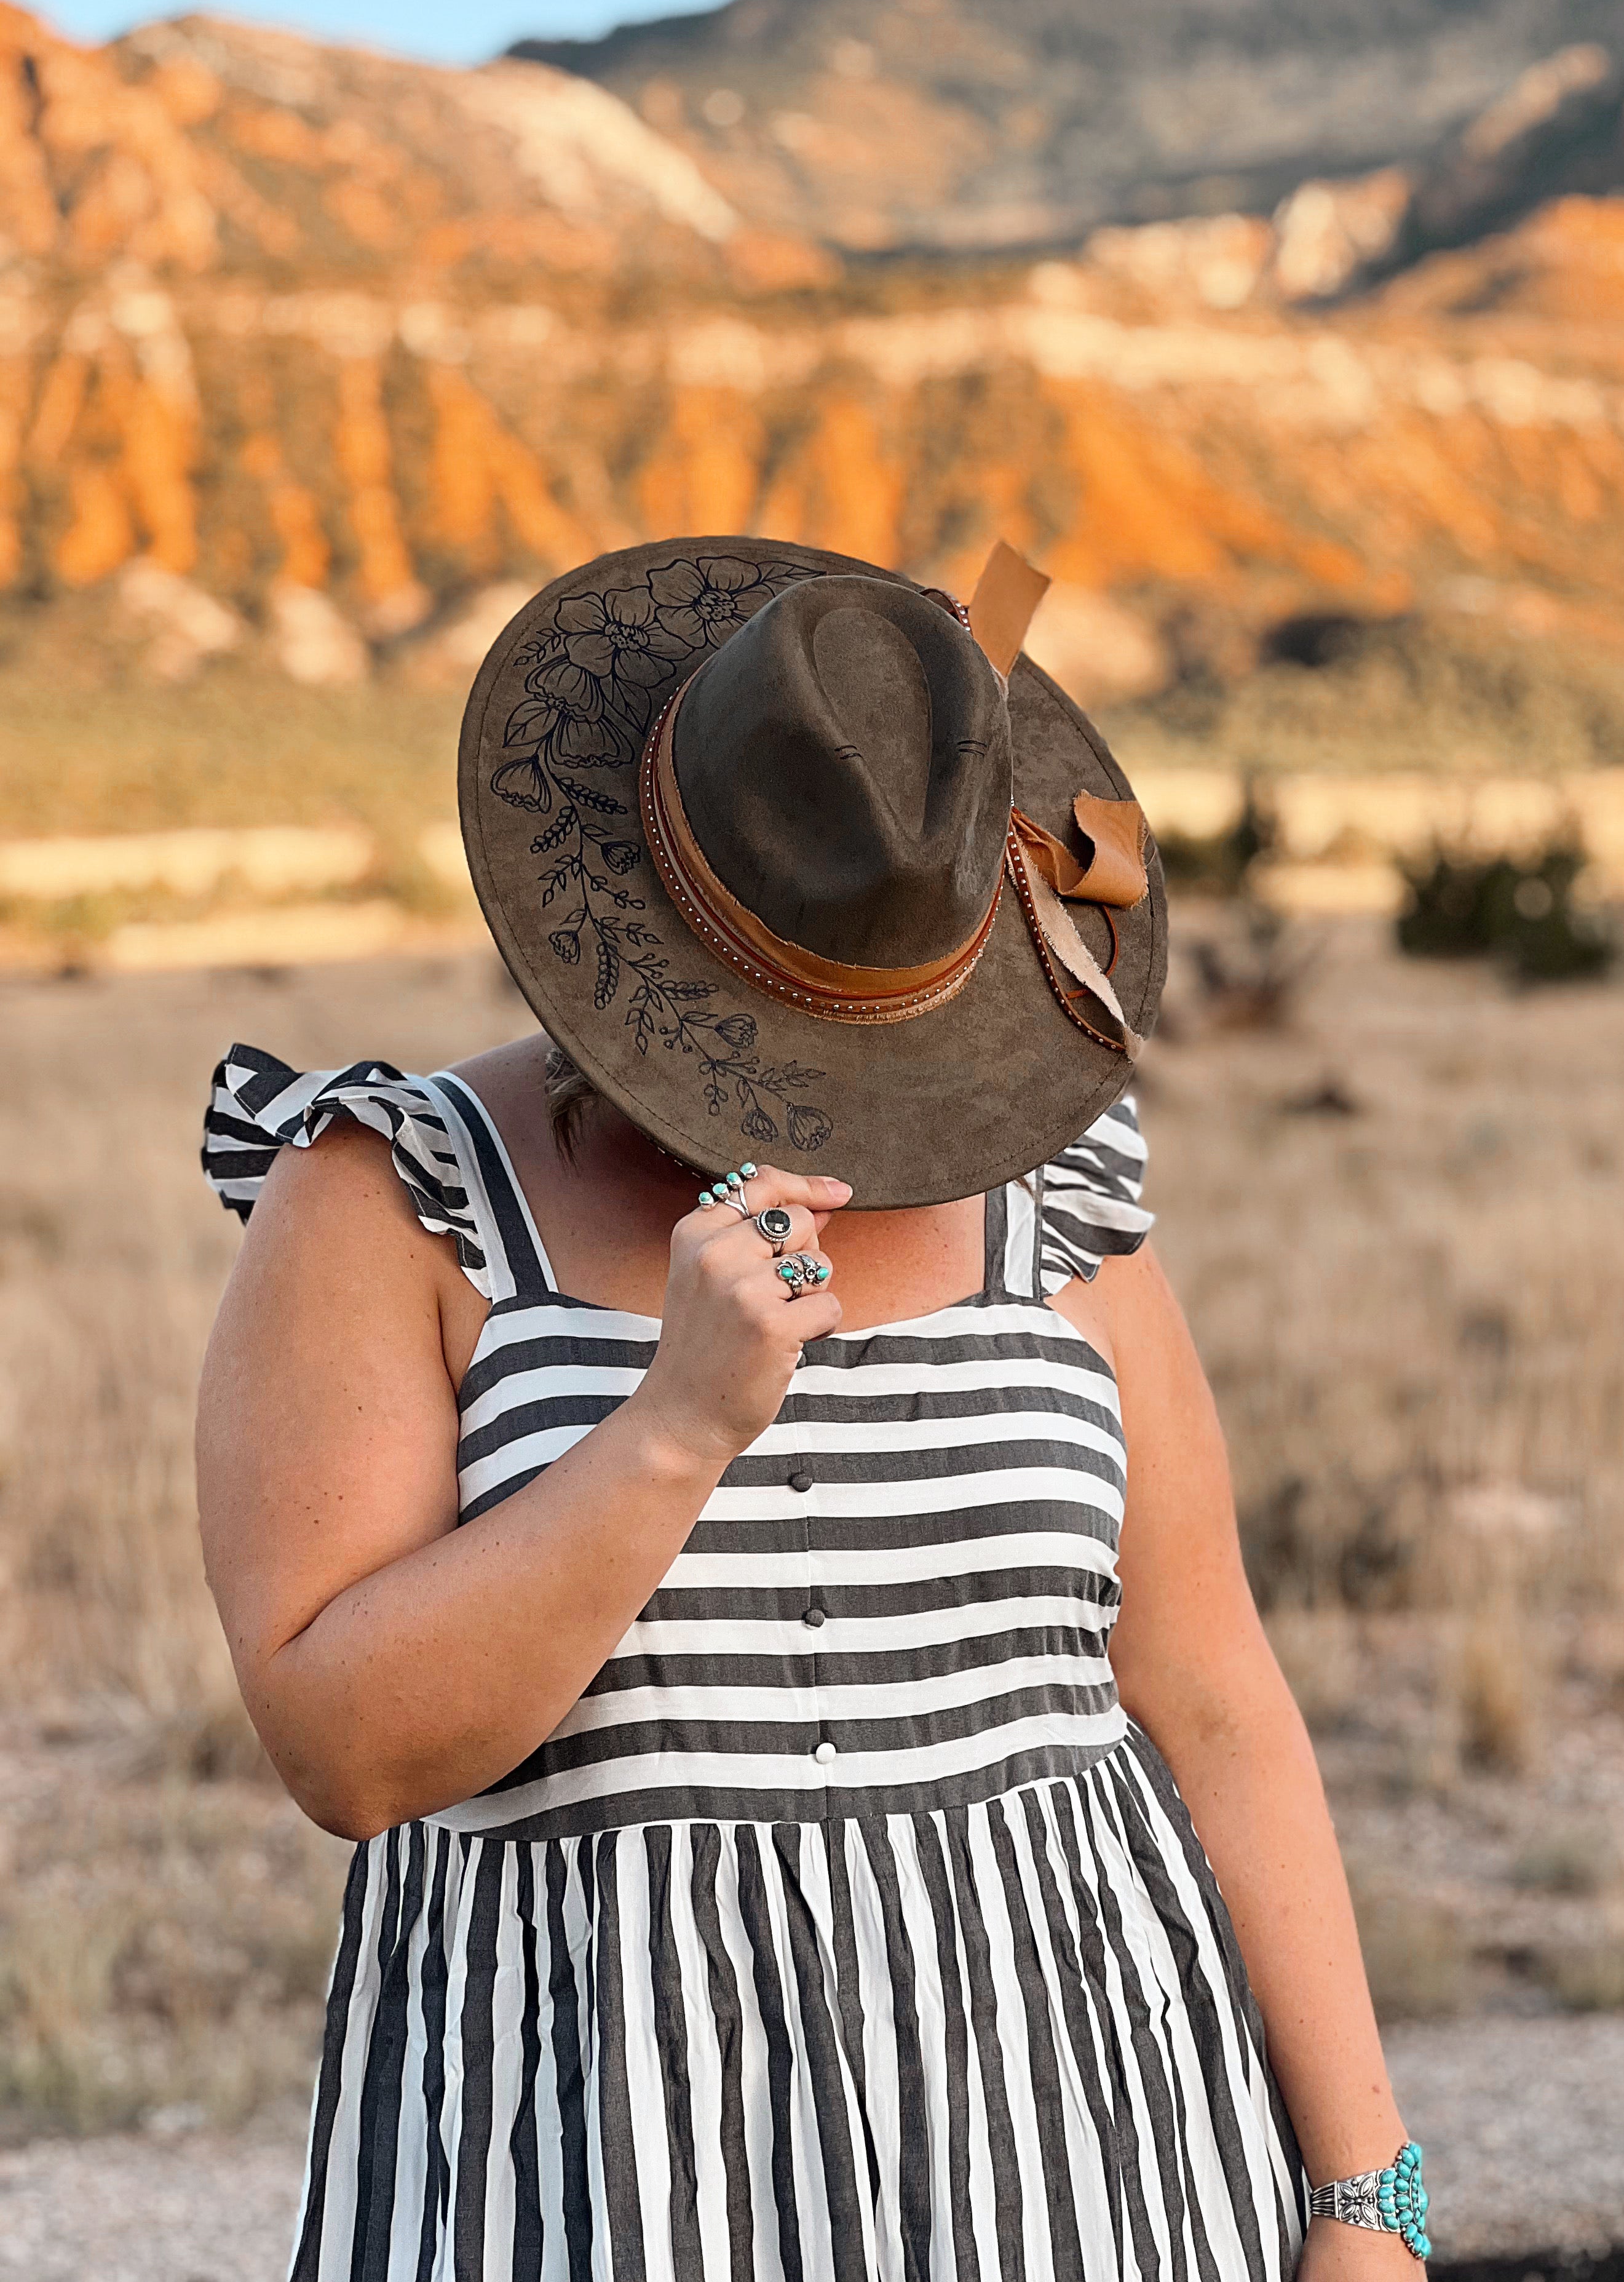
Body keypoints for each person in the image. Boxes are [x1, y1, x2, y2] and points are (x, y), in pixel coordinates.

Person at [197, 538, 1425, 2282]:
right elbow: (347, 1752)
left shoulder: (1052, 1194)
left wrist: (1368, 2201)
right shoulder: (388, 1194)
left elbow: (1212, 1690)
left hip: (1100, 2171)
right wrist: (671, 1434)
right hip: (595, 2180)